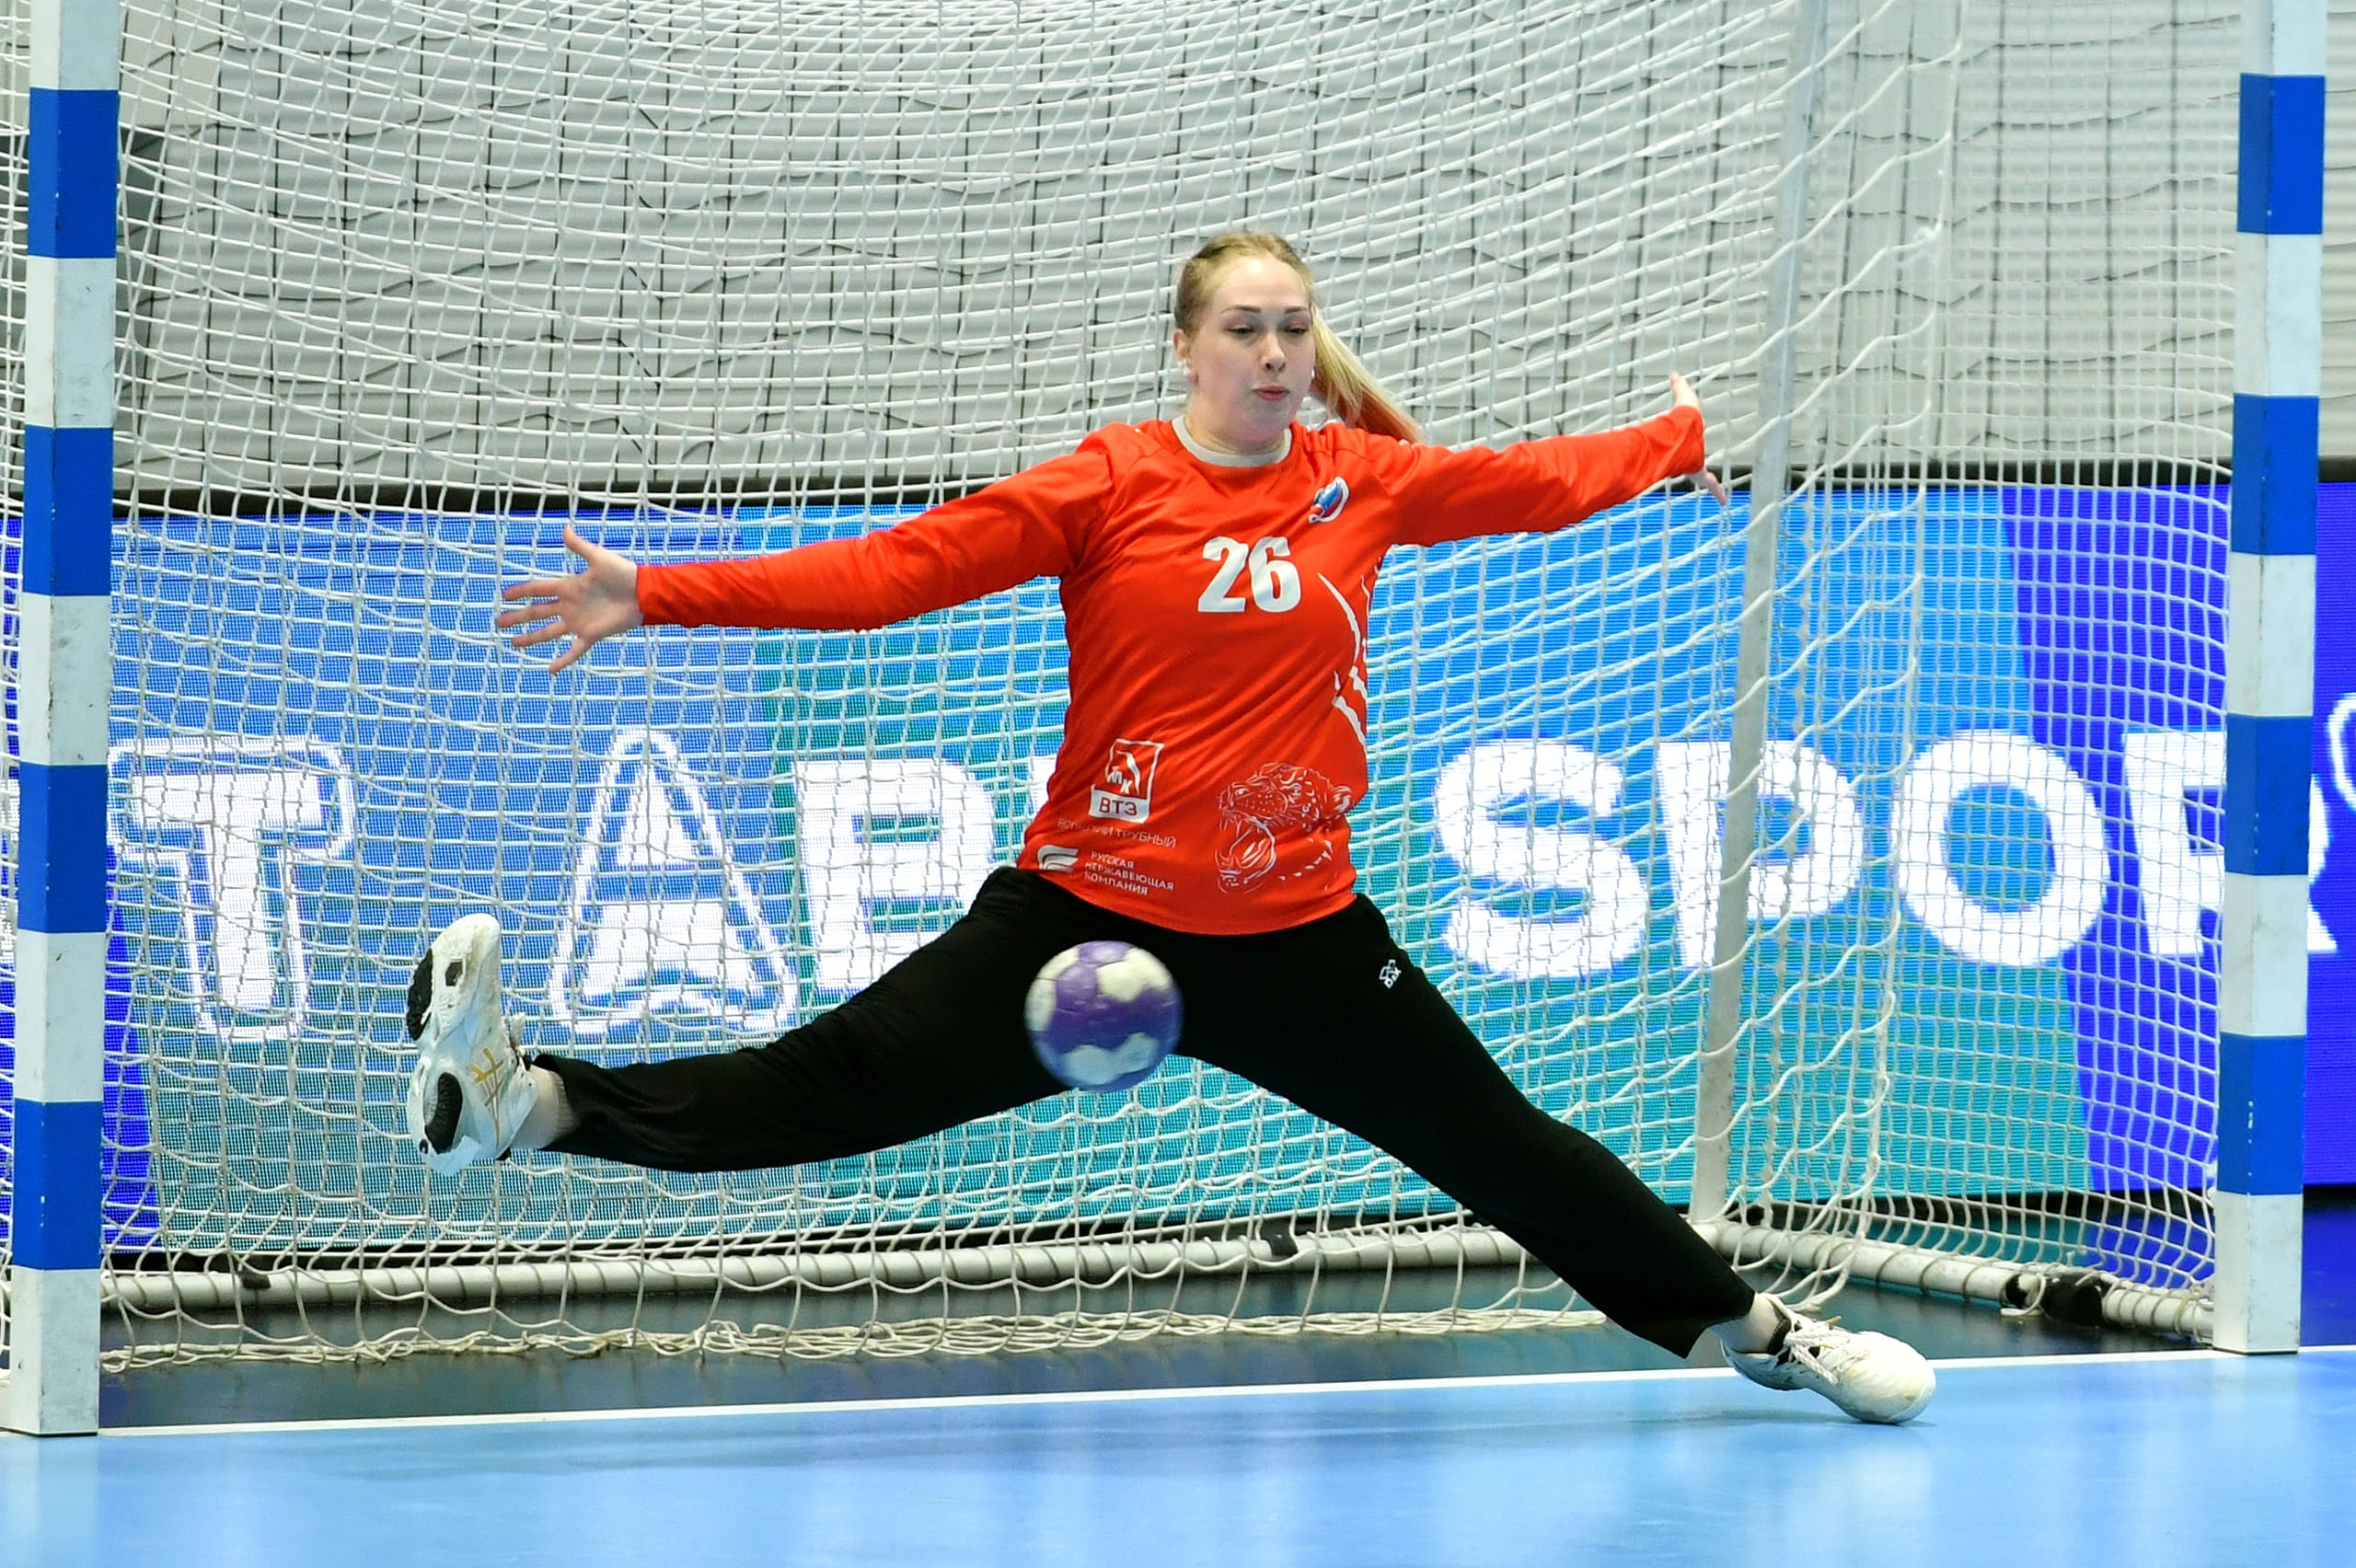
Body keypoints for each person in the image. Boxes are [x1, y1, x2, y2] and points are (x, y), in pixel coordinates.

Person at [410, 231, 1935, 1424]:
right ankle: (533, 1105)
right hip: (1089, 919)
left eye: (1293, 330)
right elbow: (894, 571)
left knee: (1505, 1150)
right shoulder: (1109, 484)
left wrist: (1674, 435)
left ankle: (1767, 1334)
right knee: (834, 1084)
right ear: (1188, 346)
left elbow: (1532, 485)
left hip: (1298, 939)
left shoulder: (1362, 483)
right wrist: (654, 592)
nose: (1273, 354)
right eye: (1244, 330)